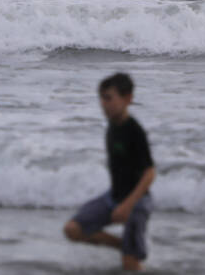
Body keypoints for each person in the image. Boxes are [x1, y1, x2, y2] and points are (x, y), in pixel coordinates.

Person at [63, 72, 156, 272]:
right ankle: (125, 246)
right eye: (101, 98)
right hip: (114, 197)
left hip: (136, 202)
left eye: (109, 98)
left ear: (128, 98)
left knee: (129, 265)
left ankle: (130, 253)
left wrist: (127, 206)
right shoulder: (112, 126)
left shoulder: (134, 131)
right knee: (73, 229)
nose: (103, 104)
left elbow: (150, 173)